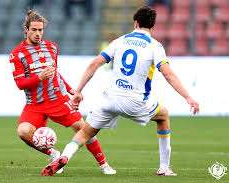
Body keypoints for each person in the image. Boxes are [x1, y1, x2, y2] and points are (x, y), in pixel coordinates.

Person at [41, 6, 200, 176]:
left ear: (135, 22)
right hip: (135, 101)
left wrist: (78, 91)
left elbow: (95, 63)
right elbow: (168, 74)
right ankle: (164, 167)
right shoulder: (155, 46)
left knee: (86, 131)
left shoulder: (120, 40)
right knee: (163, 116)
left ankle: (65, 156)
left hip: (110, 98)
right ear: (153, 26)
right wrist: (188, 97)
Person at [9, 9, 116, 175]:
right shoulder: (17, 54)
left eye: (41, 30)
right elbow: (20, 83)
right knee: (23, 131)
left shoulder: (52, 47)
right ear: (26, 30)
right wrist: (39, 77)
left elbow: (56, 74)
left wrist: (71, 90)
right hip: (34, 105)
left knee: (85, 129)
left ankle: (104, 165)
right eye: (34, 30)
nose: (38, 33)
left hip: (57, 100)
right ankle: (54, 154)